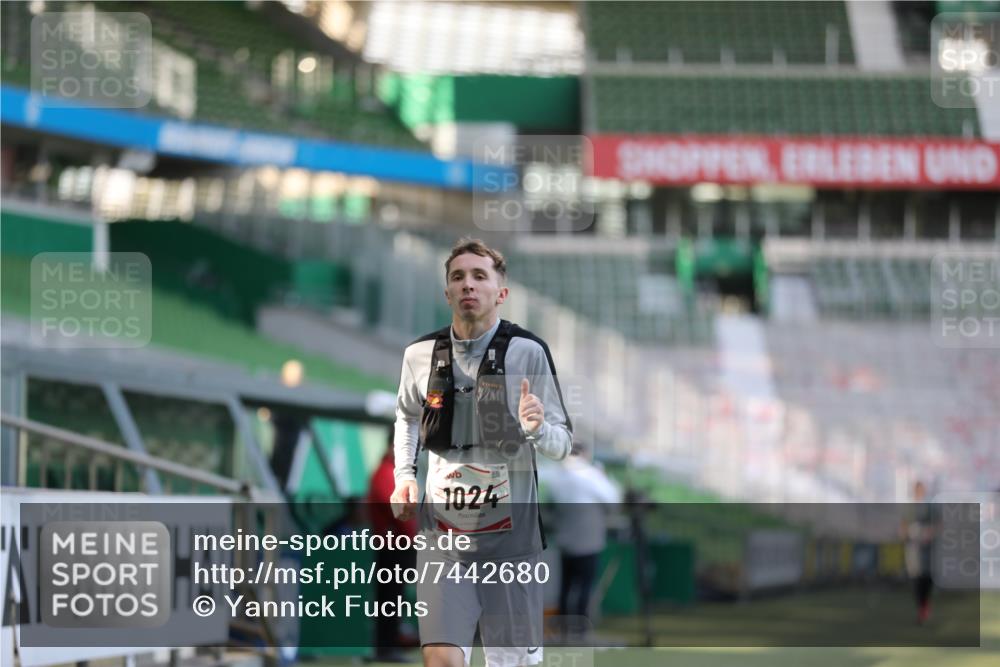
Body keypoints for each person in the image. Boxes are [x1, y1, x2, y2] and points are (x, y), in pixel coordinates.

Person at [390, 238, 573, 667]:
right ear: (447, 293)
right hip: (442, 538)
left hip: (510, 542)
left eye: (479, 276)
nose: (468, 285)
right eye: (458, 277)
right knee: (440, 658)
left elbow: (562, 442)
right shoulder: (418, 356)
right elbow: (405, 417)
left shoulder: (528, 352)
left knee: (508, 662)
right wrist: (405, 475)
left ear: (501, 293)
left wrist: (537, 428)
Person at [544, 443, 620, 630]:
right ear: (585, 455)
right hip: (589, 541)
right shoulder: (592, 476)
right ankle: (581, 627)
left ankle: (563, 626)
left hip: (565, 540)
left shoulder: (557, 476)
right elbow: (612, 499)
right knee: (585, 586)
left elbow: (550, 506)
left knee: (565, 586)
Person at [368, 433, 419, 662]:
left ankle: (389, 646)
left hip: (396, 545)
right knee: (390, 599)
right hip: (393, 547)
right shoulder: (386, 473)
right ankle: (386, 648)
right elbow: (400, 512)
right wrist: (414, 535)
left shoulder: (389, 472)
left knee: (392, 599)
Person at [902, 480, 939, 625]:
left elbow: (938, 524)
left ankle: (925, 605)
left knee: (927, 578)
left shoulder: (930, 507)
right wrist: (907, 534)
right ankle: (921, 608)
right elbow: (903, 526)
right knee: (915, 578)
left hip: (927, 550)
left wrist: (930, 533)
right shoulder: (909, 507)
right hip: (913, 549)